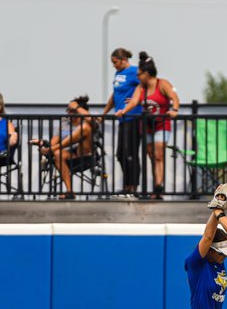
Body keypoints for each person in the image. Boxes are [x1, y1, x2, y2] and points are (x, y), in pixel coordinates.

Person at [115, 53, 180, 199]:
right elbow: (134, 102)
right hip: (146, 126)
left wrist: (174, 110)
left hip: (162, 125)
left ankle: (158, 186)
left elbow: (174, 98)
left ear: (147, 73)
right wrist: (123, 111)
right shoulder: (141, 88)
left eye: (139, 74)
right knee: (151, 156)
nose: (137, 77)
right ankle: (156, 188)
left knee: (158, 156)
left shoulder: (162, 84)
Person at [30, 95, 94, 199]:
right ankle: (70, 192)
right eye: (67, 110)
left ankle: (55, 149)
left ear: (79, 111)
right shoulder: (64, 122)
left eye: (71, 110)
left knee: (84, 128)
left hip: (85, 154)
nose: (68, 112)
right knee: (57, 153)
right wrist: (43, 143)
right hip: (70, 155)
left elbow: (92, 120)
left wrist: (77, 107)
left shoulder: (87, 122)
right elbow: (52, 143)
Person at [102, 47, 142, 197]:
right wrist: (104, 113)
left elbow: (146, 85)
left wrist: (136, 100)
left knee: (130, 153)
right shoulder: (118, 73)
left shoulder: (134, 71)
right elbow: (115, 94)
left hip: (133, 117)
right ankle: (127, 185)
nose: (114, 65)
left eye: (115, 62)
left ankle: (133, 187)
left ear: (124, 59)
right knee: (121, 154)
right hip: (122, 118)